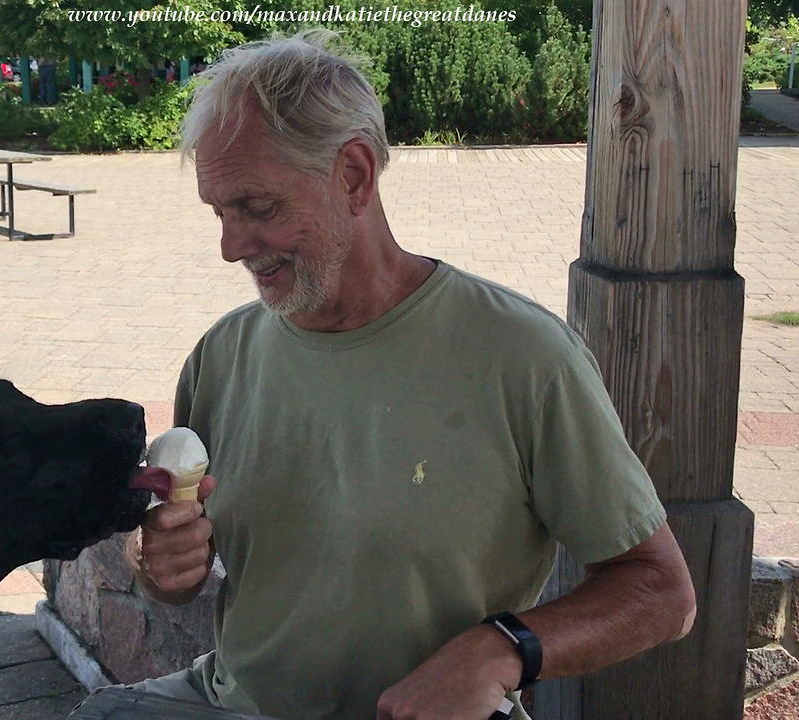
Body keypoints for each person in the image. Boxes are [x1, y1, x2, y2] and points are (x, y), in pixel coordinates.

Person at [122, 28, 697, 720]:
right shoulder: (222, 355)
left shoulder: (523, 356)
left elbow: (662, 592)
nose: (230, 247)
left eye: (258, 208)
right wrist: (155, 562)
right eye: (219, 212)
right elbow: (176, 570)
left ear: (355, 175)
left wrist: (501, 648)